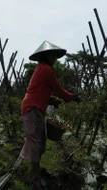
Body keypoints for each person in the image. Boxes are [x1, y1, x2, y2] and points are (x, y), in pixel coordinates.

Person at [19, 41, 80, 189]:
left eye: (55, 55)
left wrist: (52, 99)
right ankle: (35, 178)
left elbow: (42, 90)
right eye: (52, 55)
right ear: (45, 56)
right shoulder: (45, 69)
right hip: (32, 109)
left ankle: (37, 172)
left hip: (36, 109)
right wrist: (70, 97)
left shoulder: (42, 69)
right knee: (35, 142)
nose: (55, 58)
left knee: (39, 141)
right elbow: (57, 87)